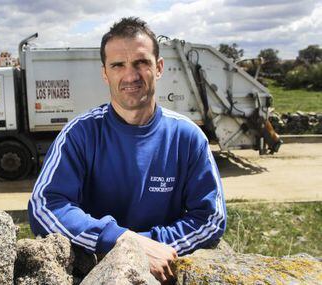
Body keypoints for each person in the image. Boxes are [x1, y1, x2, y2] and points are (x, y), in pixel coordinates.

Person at [28, 17, 226, 284]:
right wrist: (121, 241)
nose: (130, 75)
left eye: (141, 63)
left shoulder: (188, 137)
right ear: (105, 73)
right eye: (118, 65)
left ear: (159, 68)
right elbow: (45, 207)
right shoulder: (79, 134)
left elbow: (210, 218)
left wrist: (153, 245)